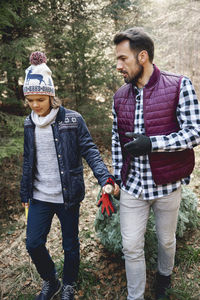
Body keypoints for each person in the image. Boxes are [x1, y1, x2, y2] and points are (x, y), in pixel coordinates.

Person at [112, 27, 200, 300]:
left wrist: (152, 143)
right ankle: (135, 296)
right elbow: (116, 140)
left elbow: (194, 132)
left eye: (123, 59)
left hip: (167, 183)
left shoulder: (178, 85)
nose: (118, 66)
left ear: (142, 57)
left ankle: (164, 276)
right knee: (131, 246)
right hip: (132, 187)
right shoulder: (119, 97)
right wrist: (115, 177)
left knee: (166, 240)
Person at [20, 51, 116, 300]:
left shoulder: (72, 120)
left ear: (51, 96)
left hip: (68, 196)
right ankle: (51, 281)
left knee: (70, 244)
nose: (35, 105)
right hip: (40, 196)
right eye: (30, 100)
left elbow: (90, 150)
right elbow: (28, 160)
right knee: (33, 243)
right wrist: (24, 192)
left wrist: (105, 177)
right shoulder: (28, 124)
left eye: (39, 99)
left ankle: (70, 283)